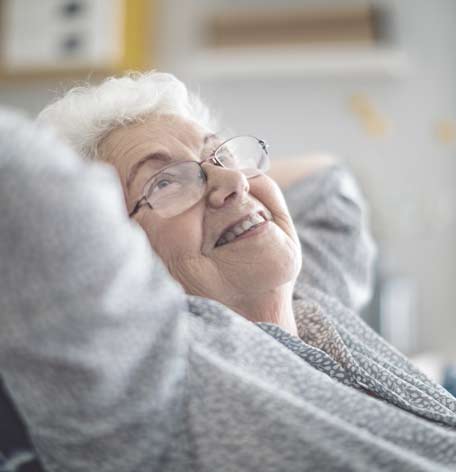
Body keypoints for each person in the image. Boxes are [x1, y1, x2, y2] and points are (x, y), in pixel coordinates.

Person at [0, 72, 455, 472]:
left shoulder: (310, 297)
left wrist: (202, 172)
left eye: (223, 156)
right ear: (116, 257)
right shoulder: (153, 376)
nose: (233, 183)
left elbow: (328, 184)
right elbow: (26, 182)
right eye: (163, 182)